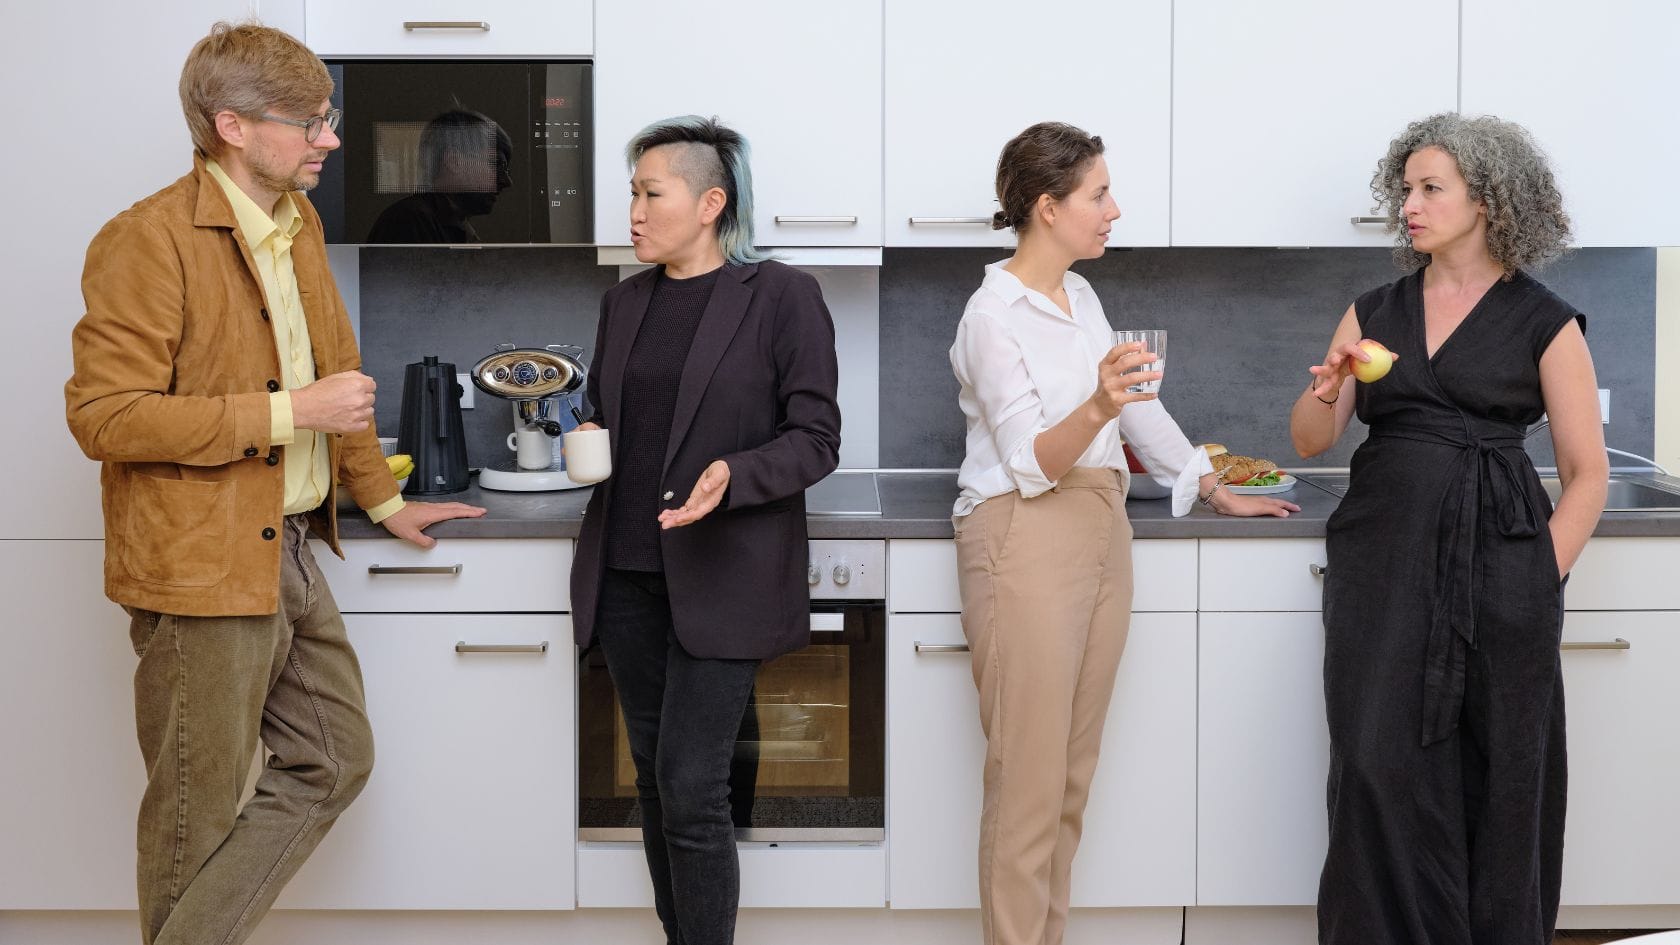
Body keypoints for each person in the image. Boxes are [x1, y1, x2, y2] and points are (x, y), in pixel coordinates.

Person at [63, 22, 483, 945]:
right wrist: (290, 413)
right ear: (233, 127)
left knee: (333, 761)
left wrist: (382, 499)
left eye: (328, 120)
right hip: (197, 566)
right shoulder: (145, 241)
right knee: (193, 816)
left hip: (287, 547)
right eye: (311, 122)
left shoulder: (298, 225)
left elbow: (342, 373)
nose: (329, 140)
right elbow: (106, 417)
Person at [950, 121, 1298, 945]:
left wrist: (1212, 487)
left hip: (1101, 523)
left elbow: (1140, 404)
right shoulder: (991, 316)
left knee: (1069, 778)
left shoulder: (1082, 295)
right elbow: (1032, 460)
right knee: (1027, 782)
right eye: (1098, 194)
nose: (1114, 209)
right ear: (1047, 206)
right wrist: (1101, 403)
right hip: (1023, 531)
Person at [1289, 113, 1608, 945]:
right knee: (1373, 761)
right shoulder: (1372, 311)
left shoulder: (1547, 321)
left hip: (1504, 564)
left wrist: (1542, 572)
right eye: (1406, 190)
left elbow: (1588, 472)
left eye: (1432, 188)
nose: (1412, 206)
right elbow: (1307, 440)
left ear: (1489, 200)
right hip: (1382, 561)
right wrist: (1327, 387)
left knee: (1500, 765)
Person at [568, 115, 841, 945]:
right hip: (627, 575)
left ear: (711, 202)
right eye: (633, 193)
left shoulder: (781, 297)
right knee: (656, 781)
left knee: (692, 785)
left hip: (722, 575)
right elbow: (618, 421)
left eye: (652, 193)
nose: (636, 211)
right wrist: (579, 431)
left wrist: (735, 473)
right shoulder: (625, 302)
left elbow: (817, 438)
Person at [366, 107, 513, 243]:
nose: (506, 181)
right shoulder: (409, 221)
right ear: (454, 161)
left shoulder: (432, 223)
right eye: (495, 164)